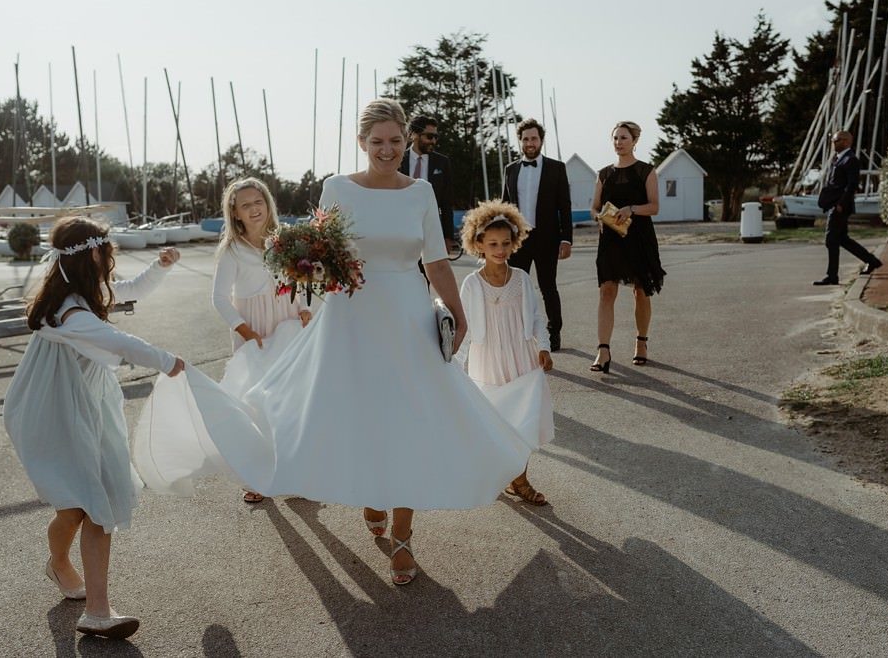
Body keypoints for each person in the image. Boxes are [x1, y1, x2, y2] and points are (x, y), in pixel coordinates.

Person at [134, 99, 534, 586]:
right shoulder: (337, 188)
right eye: (376, 141)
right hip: (352, 318)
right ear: (361, 143)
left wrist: (457, 310)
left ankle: (403, 536)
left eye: (394, 140)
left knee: (411, 417)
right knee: (362, 415)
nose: (386, 150)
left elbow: (436, 260)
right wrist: (309, 271)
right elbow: (319, 256)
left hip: (408, 317)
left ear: (406, 140)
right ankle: (372, 493)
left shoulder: (422, 192)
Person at [3, 217, 184, 639]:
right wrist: (166, 360)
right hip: (53, 413)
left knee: (85, 504)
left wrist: (160, 267)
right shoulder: (67, 311)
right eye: (107, 250)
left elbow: (132, 290)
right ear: (91, 254)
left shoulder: (83, 296)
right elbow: (118, 342)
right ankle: (79, 589)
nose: (111, 258)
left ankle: (79, 589)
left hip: (83, 406)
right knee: (84, 504)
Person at [212, 177, 311, 502]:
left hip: (288, 323)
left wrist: (305, 309)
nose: (254, 209)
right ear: (235, 213)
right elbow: (220, 298)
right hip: (254, 329)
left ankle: (292, 472)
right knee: (254, 403)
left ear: (268, 204)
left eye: (259, 202)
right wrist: (245, 330)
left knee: (290, 400)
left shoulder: (283, 240)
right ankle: (256, 476)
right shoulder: (232, 250)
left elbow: (301, 279)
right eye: (246, 205)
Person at [457, 200, 555, 505]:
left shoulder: (523, 279)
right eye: (493, 244)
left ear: (515, 243)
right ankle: (503, 475)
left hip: (521, 357)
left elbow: (537, 318)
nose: (500, 249)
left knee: (522, 421)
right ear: (479, 244)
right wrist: (455, 365)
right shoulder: (472, 284)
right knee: (495, 421)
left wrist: (543, 346)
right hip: (489, 361)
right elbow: (465, 327)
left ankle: (520, 480)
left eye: (505, 243)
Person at [590, 121, 664, 373]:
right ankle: (603, 350)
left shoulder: (646, 171)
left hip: (639, 238)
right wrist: (599, 217)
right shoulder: (603, 174)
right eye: (615, 138)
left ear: (634, 141)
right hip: (610, 239)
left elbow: (654, 206)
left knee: (640, 292)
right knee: (606, 292)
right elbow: (594, 206)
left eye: (623, 137)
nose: (618, 142)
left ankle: (641, 342)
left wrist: (630, 208)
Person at [501, 118, 572, 351]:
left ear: (541, 140)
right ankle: (519, 332)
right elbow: (504, 206)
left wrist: (566, 238)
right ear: (520, 141)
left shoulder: (556, 168)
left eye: (534, 138)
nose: (530, 143)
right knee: (516, 288)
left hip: (547, 238)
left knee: (547, 286)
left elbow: (565, 206)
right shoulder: (510, 169)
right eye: (525, 139)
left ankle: (554, 333)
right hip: (518, 239)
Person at [813, 130, 882, 285]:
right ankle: (872, 261)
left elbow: (851, 186)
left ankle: (832, 276)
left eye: (835, 140)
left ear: (845, 141)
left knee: (831, 239)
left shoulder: (851, 160)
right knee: (842, 239)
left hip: (840, 207)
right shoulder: (838, 159)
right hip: (834, 204)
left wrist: (841, 204)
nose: (832, 143)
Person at [401, 115, 456, 255]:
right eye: (429, 136)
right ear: (414, 135)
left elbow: (446, 202)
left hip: (431, 231)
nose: (433, 141)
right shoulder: (398, 159)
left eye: (436, 137)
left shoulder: (442, 163)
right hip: (401, 230)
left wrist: (448, 237)